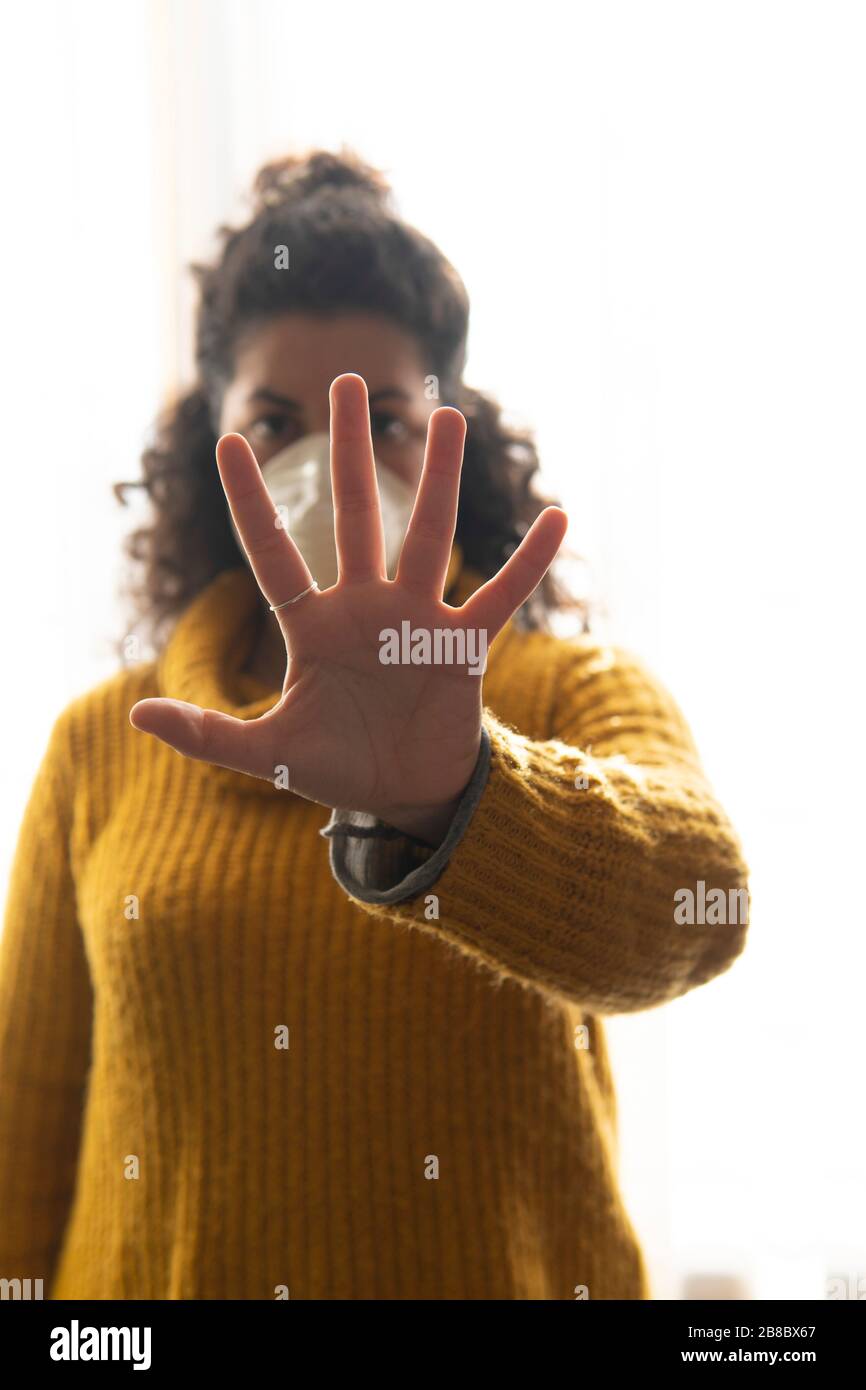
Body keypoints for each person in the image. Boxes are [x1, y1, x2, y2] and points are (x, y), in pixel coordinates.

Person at [0, 149, 749, 1301]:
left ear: (451, 436)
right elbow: (22, 1133)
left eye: (384, 419)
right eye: (278, 421)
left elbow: (700, 902)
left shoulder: (565, 691)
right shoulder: (107, 740)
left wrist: (455, 799)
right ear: (217, 445)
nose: (331, 463)